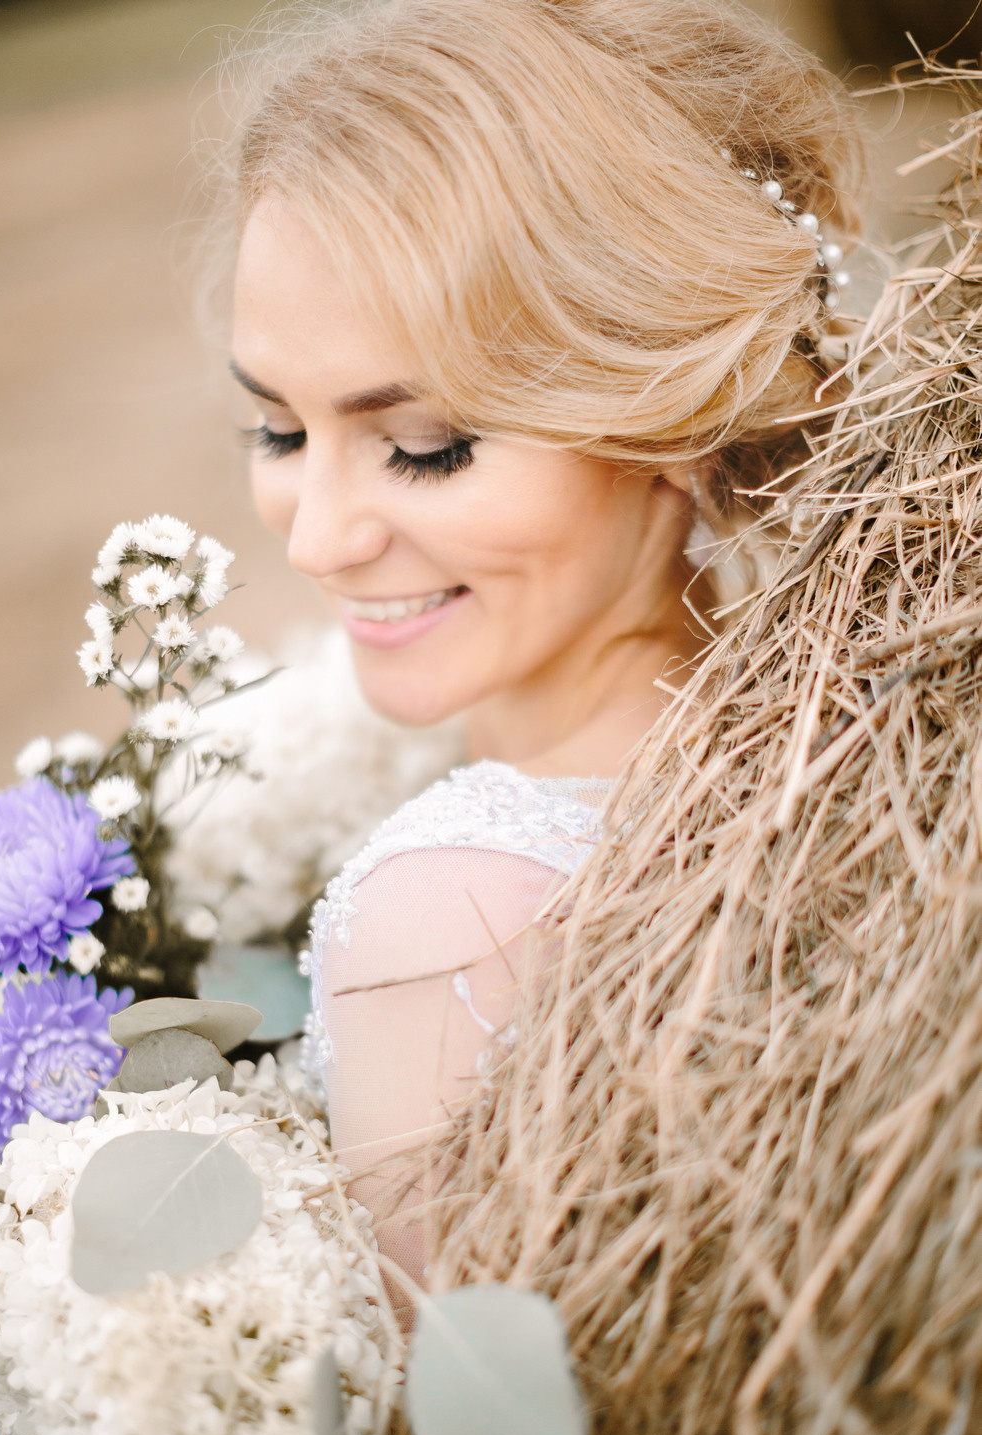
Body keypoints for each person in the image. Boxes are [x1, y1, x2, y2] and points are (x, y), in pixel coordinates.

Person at [224, 0, 863, 1279]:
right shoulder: (810, 727)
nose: (315, 540)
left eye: (423, 447)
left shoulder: (444, 921)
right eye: (281, 433)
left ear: (673, 412)